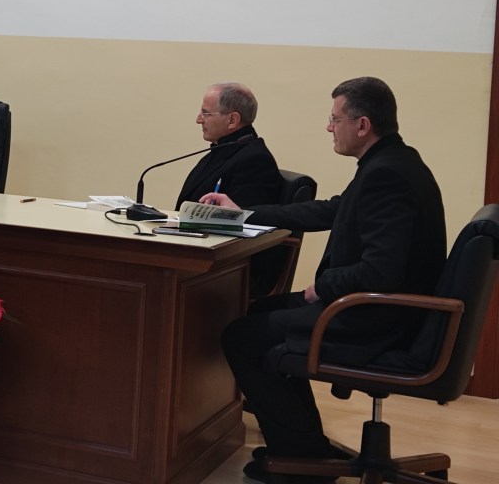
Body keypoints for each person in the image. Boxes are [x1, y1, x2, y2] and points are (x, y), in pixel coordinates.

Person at [202, 77, 446, 484]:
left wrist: (325, 286)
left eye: (335, 119)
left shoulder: (387, 175)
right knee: (259, 313)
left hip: (378, 318)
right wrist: (242, 213)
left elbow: (381, 271)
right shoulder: (393, 162)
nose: (329, 127)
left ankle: (299, 460)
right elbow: (329, 211)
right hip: (382, 309)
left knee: (242, 336)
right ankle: (304, 447)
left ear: (362, 125)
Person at [175, 82, 282, 209]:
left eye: (206, 114)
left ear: (232, 120)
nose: (199, 120)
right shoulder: (220, 150)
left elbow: (243, 217)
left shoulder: (255, 161)